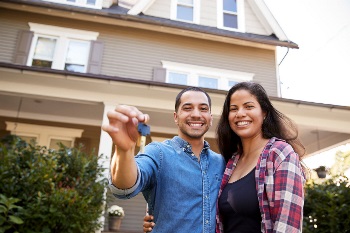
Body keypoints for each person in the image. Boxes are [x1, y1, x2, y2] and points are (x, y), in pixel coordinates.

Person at [143, 81, 306, 233]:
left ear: (264, 113)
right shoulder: (230, 162)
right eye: (234, 109)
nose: (240, 114)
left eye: (248, 106)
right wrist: (159, 217)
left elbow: (287, 225)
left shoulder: (280, 154)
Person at [102, 86, 226, 233]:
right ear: (176, 117)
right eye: (187, 108)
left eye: (203, 109)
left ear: (211, 118)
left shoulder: (222, 163)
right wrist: (124, 151)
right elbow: (124, 186)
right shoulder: (158, 153)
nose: (196, 114)